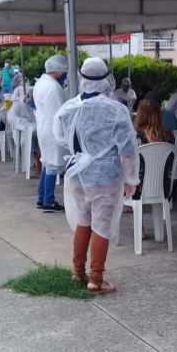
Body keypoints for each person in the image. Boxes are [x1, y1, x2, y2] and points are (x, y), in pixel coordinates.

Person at [53, 57, 139, 293]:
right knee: (102, 225)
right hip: (105, 174)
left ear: (81, 77)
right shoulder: (116, 110)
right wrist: (132, 179)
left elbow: (60, 137)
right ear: (107, 79)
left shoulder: (70, 107)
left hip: (77, 172)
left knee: (84, 221)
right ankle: (96, 278)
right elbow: (127, 149)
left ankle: (78, 272)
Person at [34, 54, 69, 212]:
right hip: (51, 128)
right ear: (59, 70)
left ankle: (42, 197)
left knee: (47, 163)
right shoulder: (53, 87)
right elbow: (58, 113)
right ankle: (48, 200)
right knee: (53, 165)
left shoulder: (41, 82)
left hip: (44, 127)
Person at [132, 99, 176, 204]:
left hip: (138, 190)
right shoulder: (169, 135)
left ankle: (127, 205)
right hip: (164, 188)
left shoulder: (135, 136)